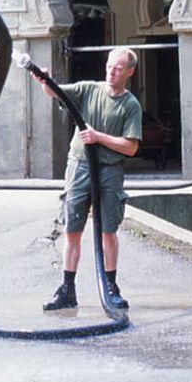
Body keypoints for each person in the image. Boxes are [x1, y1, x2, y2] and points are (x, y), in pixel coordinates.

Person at [33, 46, 142, 311]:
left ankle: (110, 287)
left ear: (129, 71)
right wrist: (45, 81)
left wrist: (98, 137)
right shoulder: (89, 90)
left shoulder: (130, 105)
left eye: (118, 68)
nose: (111, 71)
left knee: (107, 232)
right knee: (72, 229)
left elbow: (130, 147)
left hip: (109, 170)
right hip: (80, 166)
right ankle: (67, 289)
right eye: (109, 66)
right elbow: (55, 93)